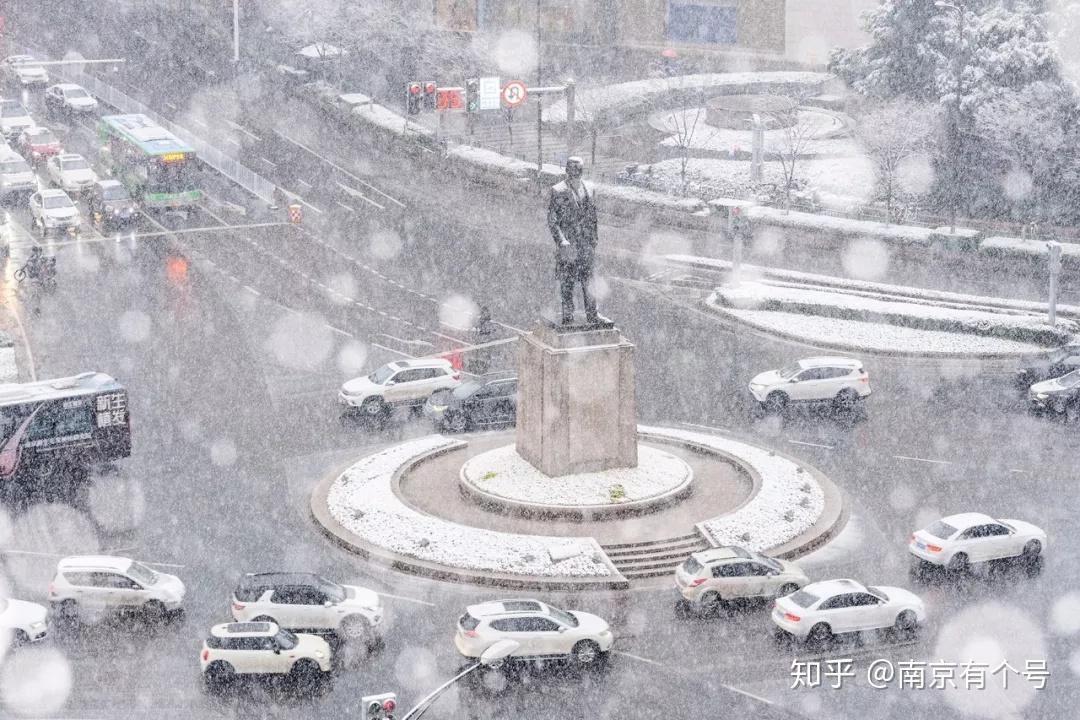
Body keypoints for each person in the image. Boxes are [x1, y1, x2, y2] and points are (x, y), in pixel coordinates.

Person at [547, 156, 601, 325]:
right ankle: (568, 316)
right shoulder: (558, 190)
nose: (576, 172)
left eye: (579, 169)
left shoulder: (590, 188)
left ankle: (593, 314)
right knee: (567, 283)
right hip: (568, 247)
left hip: (586, 246)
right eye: (572, 169)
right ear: (567, 170)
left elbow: (593, 217)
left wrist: (593, 240)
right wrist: (561, 240)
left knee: (589, 282)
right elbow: (552, 220)